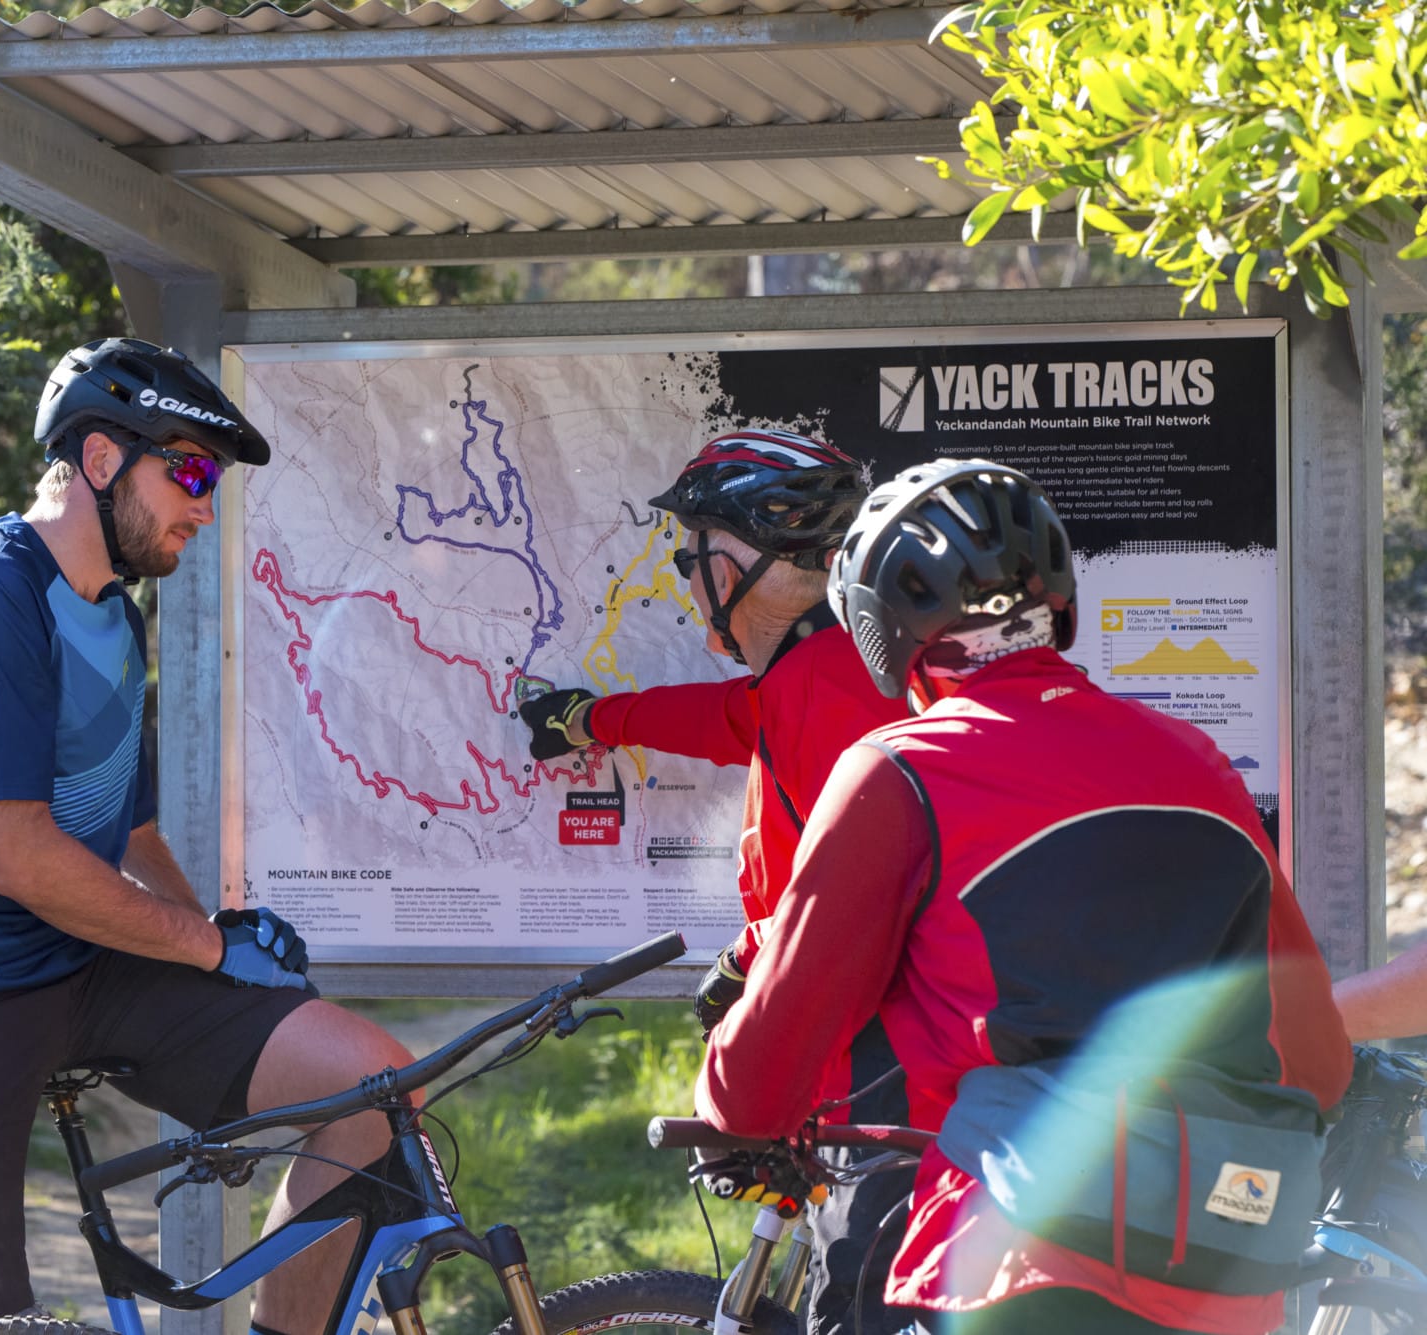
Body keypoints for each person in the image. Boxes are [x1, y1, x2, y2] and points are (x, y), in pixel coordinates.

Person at [694, 458, 1352, 1333]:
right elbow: (1317, 1064)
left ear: (881, 632)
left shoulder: (898, 773)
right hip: (1219, 1274)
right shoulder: (1196, 764)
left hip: (1011, 1266)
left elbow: (762, 1073)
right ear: (1060, 603)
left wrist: (725, 1090)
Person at [0, 337, 416, 1331]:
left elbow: (131, 828)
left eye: (213, 481)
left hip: (86, 966)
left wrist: (218, 951)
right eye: (190, 470)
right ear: (102, 459)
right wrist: (204, 945)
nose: (206, 502)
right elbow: (18, 855)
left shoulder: (114, 610)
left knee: (373, 1091)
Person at [518, 429, 909, 1335]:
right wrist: (591, 720)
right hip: (866, 1047)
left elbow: (841, 900)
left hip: (879, 1064)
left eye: (692, 555)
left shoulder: (828, 689)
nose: (688, 578)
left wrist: (744, 965)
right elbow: (733, 719)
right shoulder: (823, 671)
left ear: (735, 560)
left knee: (858, 1303)